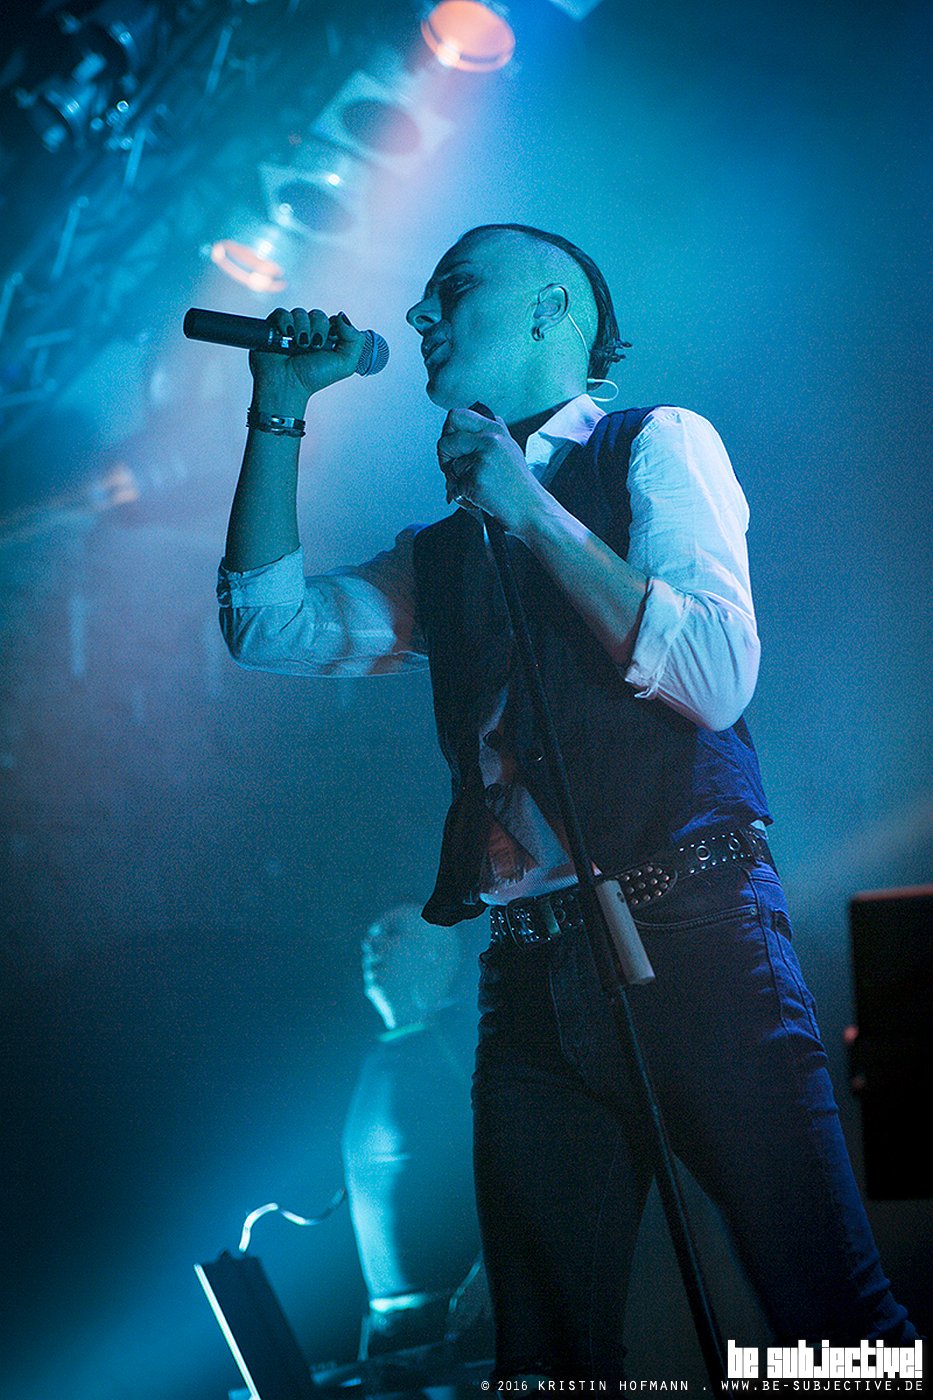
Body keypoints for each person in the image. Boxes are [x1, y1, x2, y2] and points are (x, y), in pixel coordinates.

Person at [217, 224, 916, 1381]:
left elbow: (715, 676)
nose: (422, 315)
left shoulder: (658, 444)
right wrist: (279, 405)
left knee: (828, 1328)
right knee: (545, 1361)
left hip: (697, 937)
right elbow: (266, 627)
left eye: (453, 289)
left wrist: (533, 511)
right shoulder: (448, 548)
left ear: (553, 309)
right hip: (531, 976)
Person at [341, 903, 491, 1360]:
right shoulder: (373, 1059)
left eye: (392, 933)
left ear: (436, 953)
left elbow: (529, 1162)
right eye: (370, 934)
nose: (371, 944)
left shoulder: (465, 1041)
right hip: (390, 1333)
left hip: (465, 1323)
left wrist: (492, 1275)